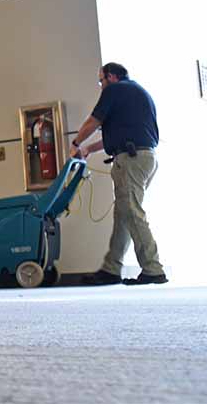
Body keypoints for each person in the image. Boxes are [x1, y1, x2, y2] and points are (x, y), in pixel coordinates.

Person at [71, 63, 167, 286]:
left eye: (101, 80)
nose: (101, 85)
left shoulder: (114, 90)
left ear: (112, 76)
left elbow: (93, 121)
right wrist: (88, 149)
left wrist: (76, 143)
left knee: (132, 213)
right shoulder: (137, 93)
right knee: (123, 214)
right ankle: (111, 269)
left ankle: (153, 269)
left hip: (131, 160)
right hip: (145, 157)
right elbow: (119, 134)